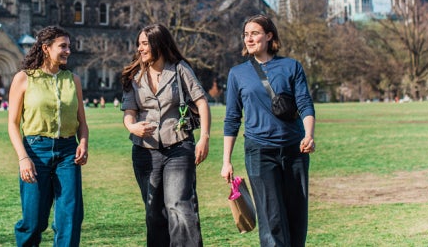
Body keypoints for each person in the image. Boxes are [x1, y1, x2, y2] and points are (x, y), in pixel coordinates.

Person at [221, 14, 316, 247]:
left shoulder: (291, 66)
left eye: (254, 33)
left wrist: (309, 135)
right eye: (246, 35)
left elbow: (304, 103)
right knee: (271, 218)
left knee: (296, 217)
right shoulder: (237, 73)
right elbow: (232, 118)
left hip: (294, 151)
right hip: (260, 153)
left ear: (269, 35)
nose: (249, 39)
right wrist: (226, 160)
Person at [121, 23, 211, 247]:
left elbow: (201, 102)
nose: (140, 49)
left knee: (179, 206)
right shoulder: (134, 75)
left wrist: (205, 138)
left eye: (144, 44)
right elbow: (129, 112)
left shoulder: (179, 69)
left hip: (178, 147)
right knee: (153, 212)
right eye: (139, 44)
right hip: (144, 152)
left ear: (158, 44)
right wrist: (133, 128)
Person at [7, 26, 89, 247]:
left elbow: (82, 122)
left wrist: (83, 142)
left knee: (70, 218)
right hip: (35, 151)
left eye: (69, 46)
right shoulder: (24, 79)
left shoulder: (73, 80)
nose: (68, 51)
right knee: (33, 221)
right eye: (63, 46)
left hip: (67, 153)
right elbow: (13, 125)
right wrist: (23, 158)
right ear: (46, 48)